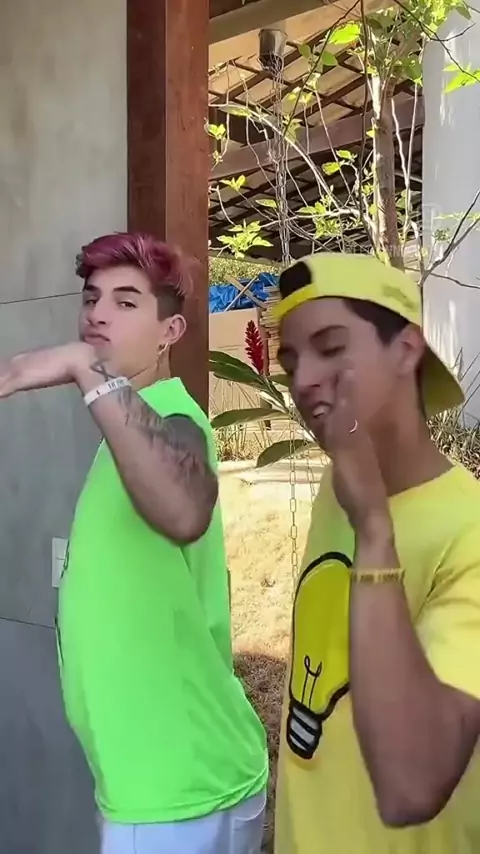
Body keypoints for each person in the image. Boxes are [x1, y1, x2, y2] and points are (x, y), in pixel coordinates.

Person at [0, 232, 268, 854]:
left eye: (126, 302)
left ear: (171, 331)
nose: (97, 313)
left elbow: (184, 506)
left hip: (180, 789)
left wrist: (84, 367)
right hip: (165, 783)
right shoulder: (123, 432)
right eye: (91, 298)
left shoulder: (175, 417)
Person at [273, 252, 480, 854]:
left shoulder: (467, 531)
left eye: (331, 348)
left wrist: (374, 532)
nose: (303, 379)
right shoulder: (338, 484)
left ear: (407, 349)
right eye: (292, 360)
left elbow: (411, 787)